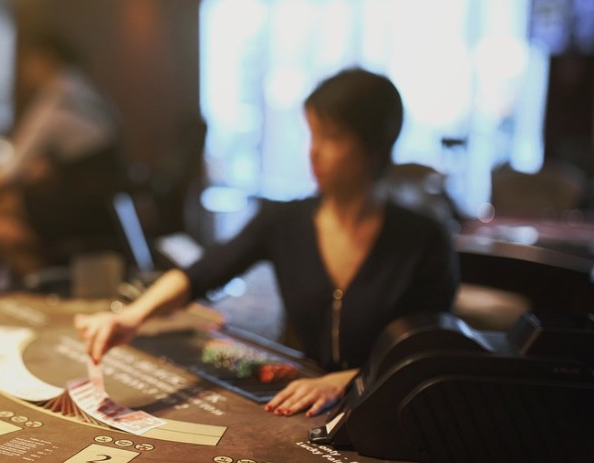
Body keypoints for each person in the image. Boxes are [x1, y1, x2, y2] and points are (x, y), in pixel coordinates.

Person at [75, 68, 459, 418]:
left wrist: (344, 380)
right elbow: (204, 272)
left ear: (376, 147)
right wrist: (130, 317)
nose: (314, 151)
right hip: (303, 404)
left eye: (333, 137)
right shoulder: (284, 220)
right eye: (313, 134)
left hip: (387, 409)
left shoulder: (423, 238)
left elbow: (426, 351)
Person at [0, 35, 125, 291]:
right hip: (109, 203)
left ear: (45, 58)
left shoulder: (60, 96)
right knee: (1, 215)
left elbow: (10, 168)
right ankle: (1, 289)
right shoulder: (81, 89)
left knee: (0, 221)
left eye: (27, 62)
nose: (23, 70)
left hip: (90, 208)